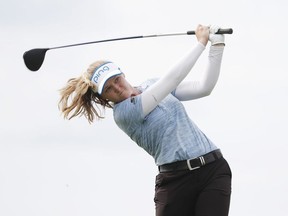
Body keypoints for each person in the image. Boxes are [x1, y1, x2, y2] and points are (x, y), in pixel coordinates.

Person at [58, 24, 232, 216]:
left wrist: (216, 46)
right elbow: (170, 81)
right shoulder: (124, 114)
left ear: (122, 74)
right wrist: (200, 44)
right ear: (103, 97)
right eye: (108, 89)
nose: (116, 88)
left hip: (213, 169)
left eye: (116, 80)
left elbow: (203, 87)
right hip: (176, 182)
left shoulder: (150, 84)